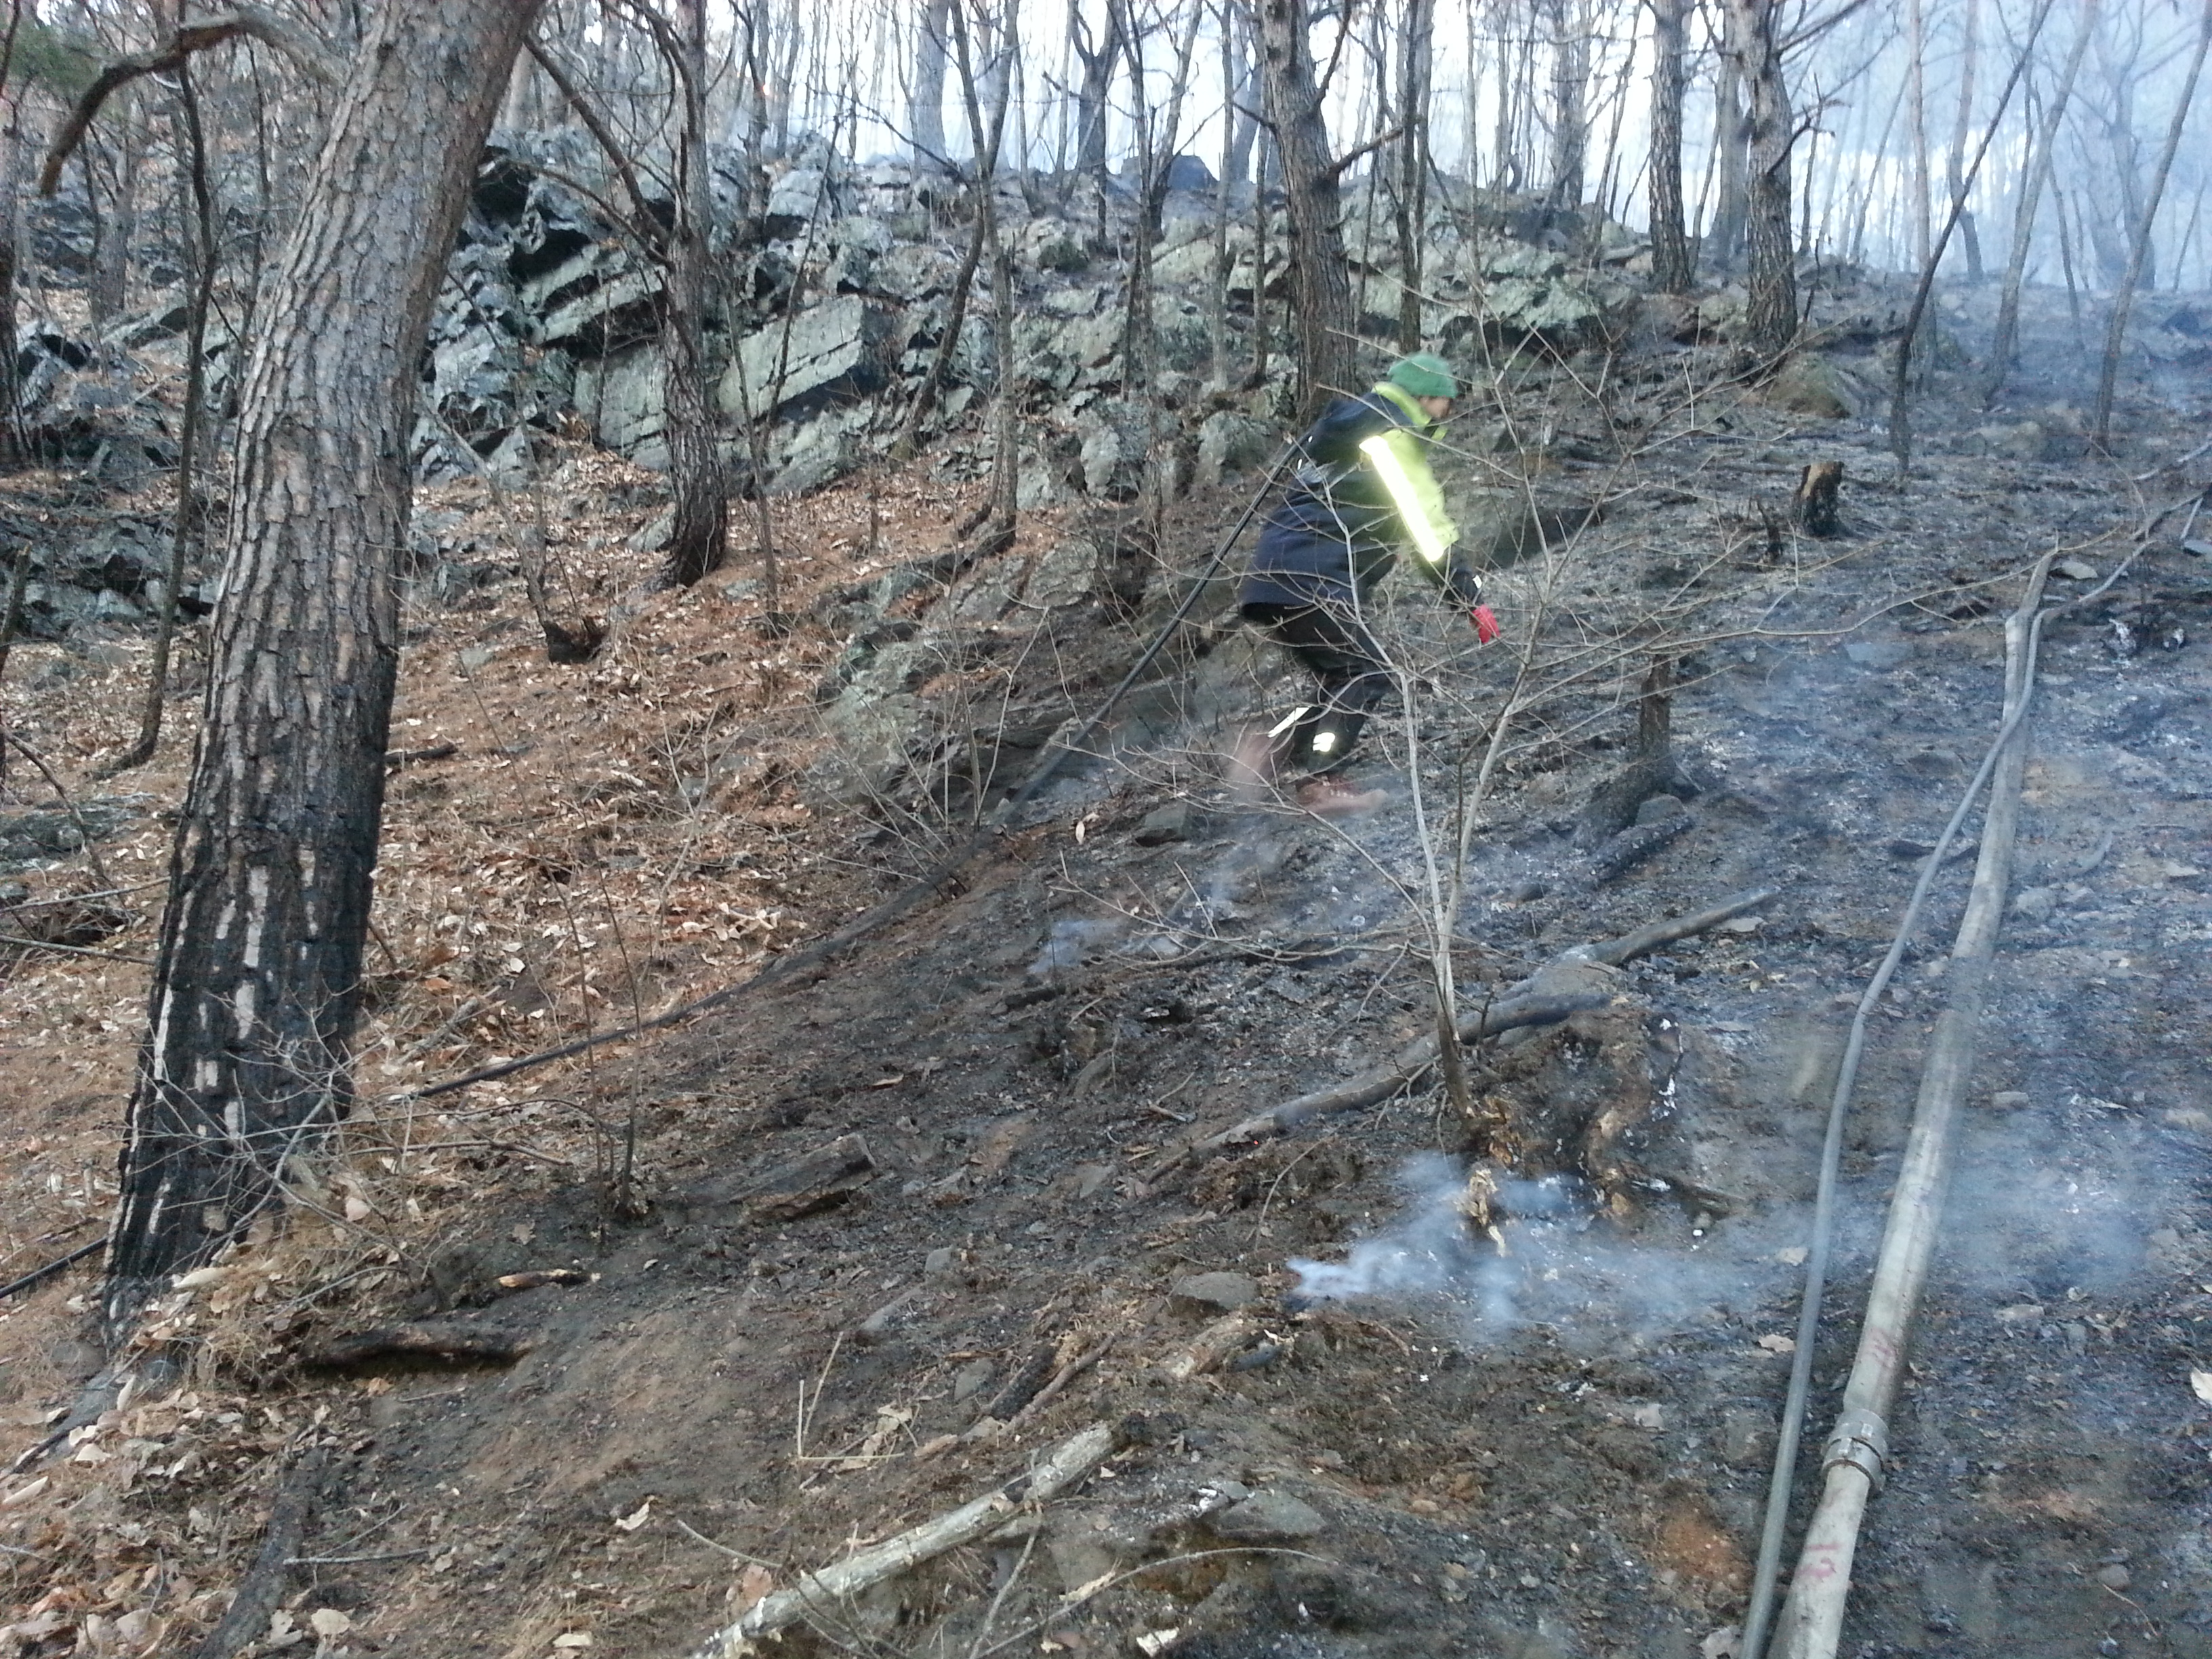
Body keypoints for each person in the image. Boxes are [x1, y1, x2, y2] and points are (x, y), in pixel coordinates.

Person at [1237, 351, 1499, 815]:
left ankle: (1269, 753)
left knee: (1339, 675)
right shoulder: (1391, 437)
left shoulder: (1354, 426)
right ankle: (1320, 780)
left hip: (1273, 576)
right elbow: (1428, 534)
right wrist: (1470, 599)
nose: (1449, 411)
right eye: (1446, 400)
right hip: (1314, 576)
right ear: (1426, 397)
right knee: (1366, 673)